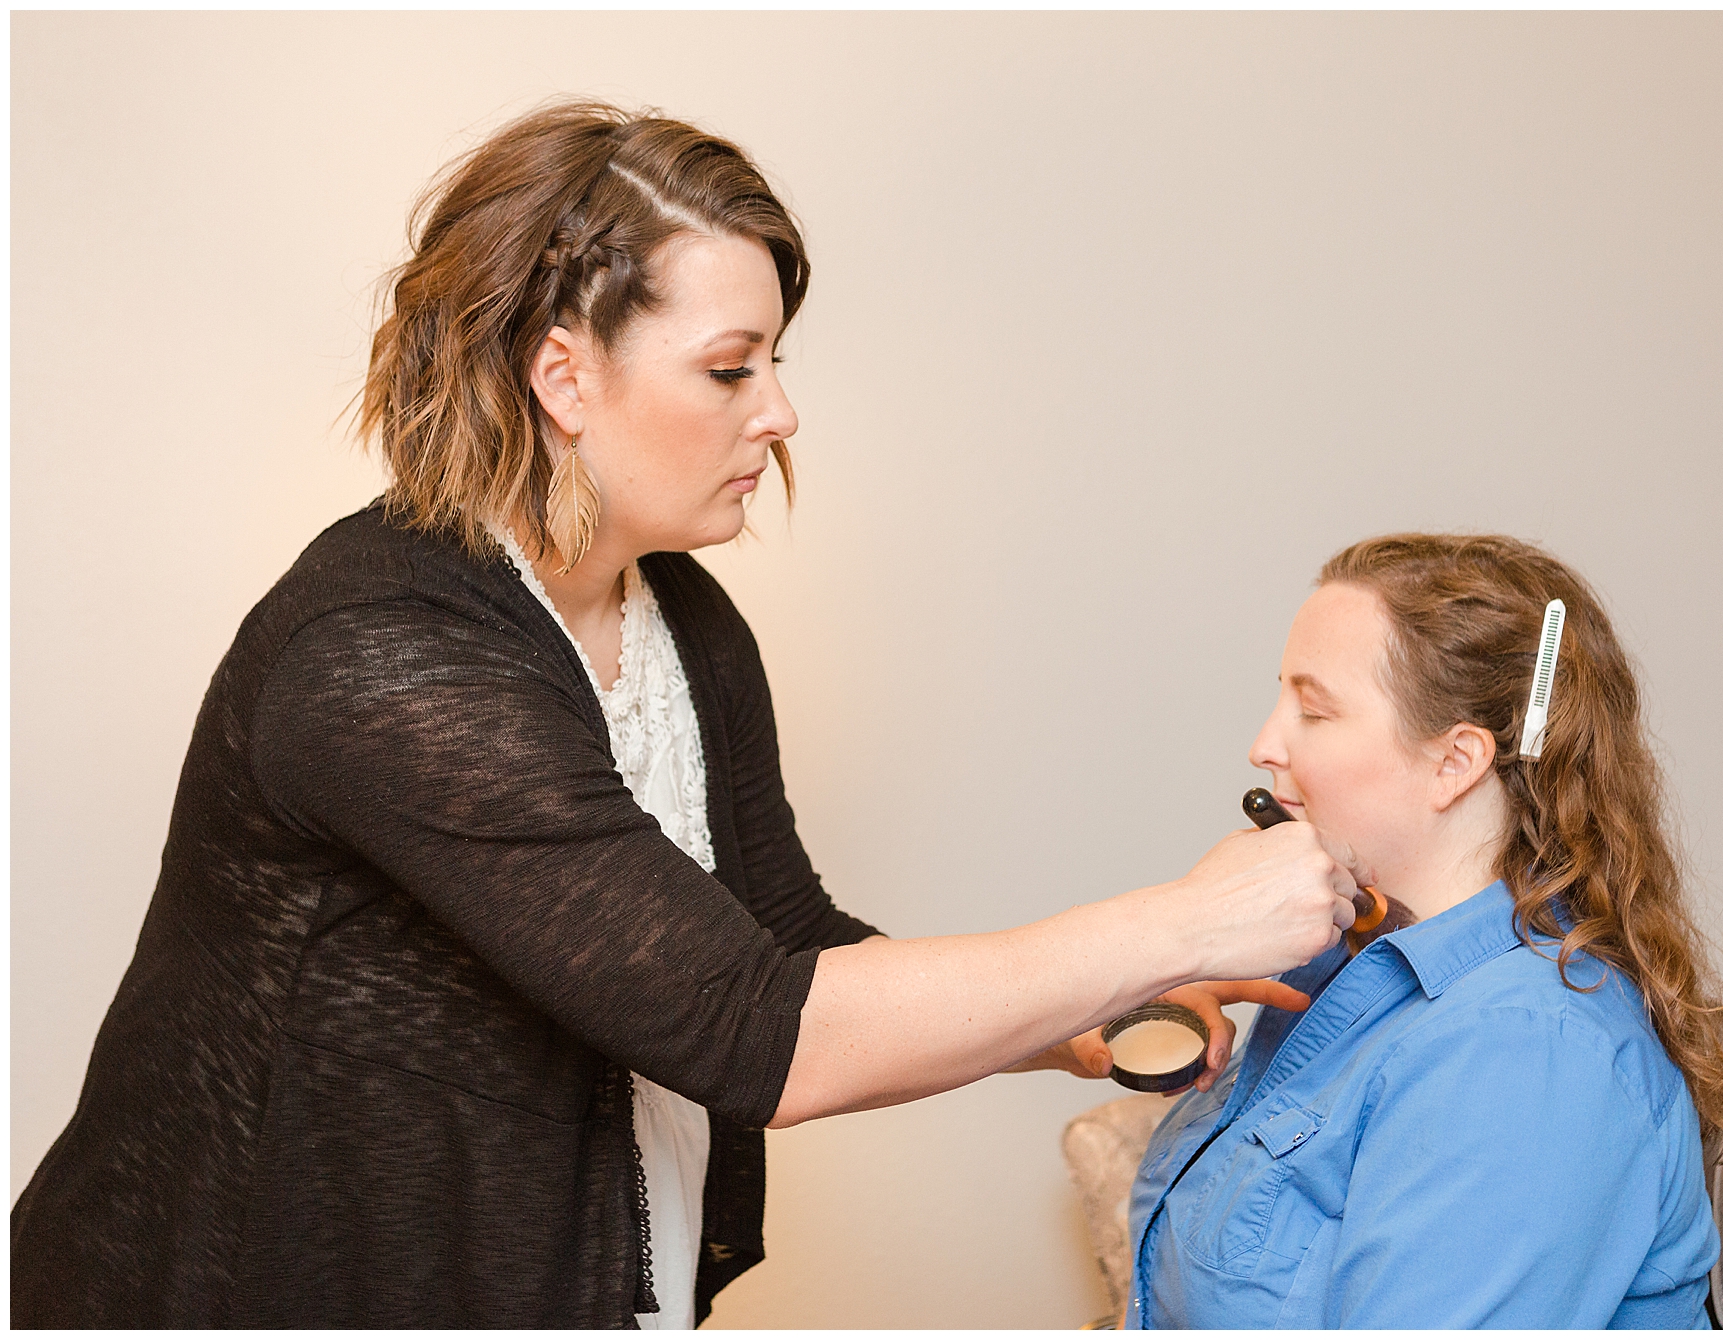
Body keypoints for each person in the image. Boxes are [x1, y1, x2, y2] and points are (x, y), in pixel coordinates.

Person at [8, 102, 1361, 1329]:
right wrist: (1183, 921)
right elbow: (754, 1028)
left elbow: (784, 943)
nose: (779, 414)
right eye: (730, 368)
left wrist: (1070, 1009)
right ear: (565, 376)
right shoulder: (381, 657)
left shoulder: (684, 625)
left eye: (775, 361)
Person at [1125, 534, 1723, 1329]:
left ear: (1455, 761)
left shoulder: (1522, 1055)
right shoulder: (1345, 962)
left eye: (1313, 710)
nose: (1264, 747)